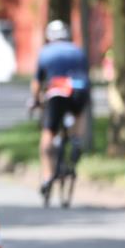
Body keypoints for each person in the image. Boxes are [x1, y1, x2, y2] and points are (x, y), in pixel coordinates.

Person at [29, 19, 90, 198]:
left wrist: (35, 100)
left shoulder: (46, 52)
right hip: (79, 89)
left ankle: (48, 177)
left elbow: (37, 82)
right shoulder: (78, 50)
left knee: (48, 132)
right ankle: (77, 139)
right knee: (79, 114)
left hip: (57, 91)